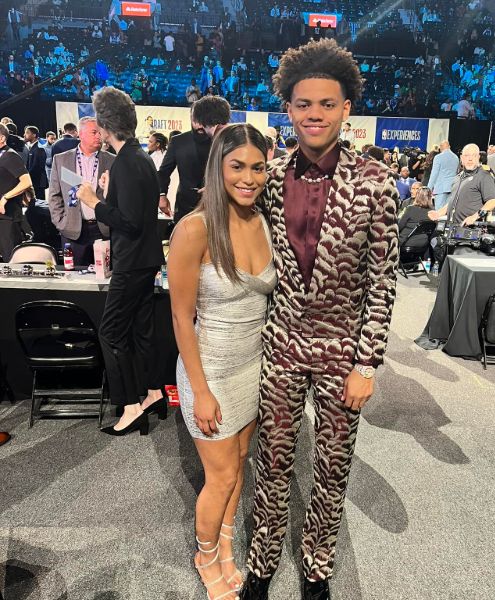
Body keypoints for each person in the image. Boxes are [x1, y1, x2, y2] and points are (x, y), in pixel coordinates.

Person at [240, 38, 399, 600]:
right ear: (288, 108)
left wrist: (368, 364)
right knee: (273, 462)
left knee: (332, 470)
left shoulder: (376, 182)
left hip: (342, 348)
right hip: (280, 344)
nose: (314, 114)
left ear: (346, 108)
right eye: (303, 104)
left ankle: (316, 567)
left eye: (326, 104)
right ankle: (260, 562)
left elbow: (383, 279)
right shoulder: (268, 177)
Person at [168, 123, 275, 600]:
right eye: (238, 167)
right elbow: (179, 315)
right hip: (208, 370)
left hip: (253, 367)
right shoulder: (194, 228)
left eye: (258, 167)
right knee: (223, 475)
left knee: (241, 461)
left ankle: (226, 545)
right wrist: (201, 389)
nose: (248, 178)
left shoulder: (263, 221)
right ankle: (205, 554)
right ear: (218, 167)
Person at [76, 87, 165, 437]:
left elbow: (127, 221)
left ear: (104, 126)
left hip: (130, 263)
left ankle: (130, 405)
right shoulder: (138, 157)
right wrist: (110, 191)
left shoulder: (127, 162)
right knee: (142, 331)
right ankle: (154, 392)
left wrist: (94, 200)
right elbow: (140, 214)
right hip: (146, 260)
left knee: (111, 332)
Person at [49, 117, 115, 266]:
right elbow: (54, 195)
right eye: (94, 132)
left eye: (100, 132)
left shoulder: (112, 160)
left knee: (105, 277)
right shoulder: (61, 160)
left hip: (103, 229)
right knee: (75, 280)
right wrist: (61, 222)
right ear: (80, 134)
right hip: (72, 230)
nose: (99, 136)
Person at [158, 97, 231, 222]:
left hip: (217, 205)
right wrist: (161, 195)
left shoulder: (223, 141)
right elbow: (164, 172)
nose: (198, 124)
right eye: (194, 119)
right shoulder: (178, 141)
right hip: (185, 205)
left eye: (200, 120)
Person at [428, 143, 495, 226]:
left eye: (474, 155)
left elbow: (493, 201)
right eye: (467, 155)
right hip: (453, 227)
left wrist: (474, 217)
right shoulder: (458, 177)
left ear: (478, 157)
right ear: (461, 158)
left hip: (471, 229)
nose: (470, 159)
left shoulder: (484, 176)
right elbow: (452, 201)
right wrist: (438, 213)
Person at [0, 123, 32, 261]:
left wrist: (5, 197)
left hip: (8, 217)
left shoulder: (10, 156)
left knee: (10, 260)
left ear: (2, 138)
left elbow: (26, 182)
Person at [427, 140, 458, 210]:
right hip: (452, 187)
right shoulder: (456, 157)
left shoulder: (438, 157)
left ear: (441, 147)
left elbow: (434, 174)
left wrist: (428, 188)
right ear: (449, 146)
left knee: (439, 212)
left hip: (441, 188)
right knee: (448, 210)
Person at [23, 125, 48, 200]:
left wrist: (27, 177)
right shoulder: (31, 147)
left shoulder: (39, 147)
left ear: (34, 135)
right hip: (34, 181)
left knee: (39, 204)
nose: (24, 135)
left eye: (27, 133)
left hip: (38, 182)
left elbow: (37, 167)